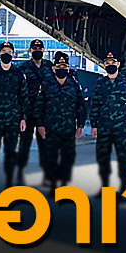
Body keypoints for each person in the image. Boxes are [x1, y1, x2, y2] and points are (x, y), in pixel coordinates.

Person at [89, 51, 126, 192]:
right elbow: (95, 104)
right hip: (104, 126)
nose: (110, 65)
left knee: (125, 156)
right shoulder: (100, 83)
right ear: (104, 65)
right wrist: (94, 125)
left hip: (122, 127)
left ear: (118, 64)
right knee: (102, 157)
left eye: (113, 63)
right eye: (107, 63)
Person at [37, 51, 87, 191]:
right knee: (50, 155)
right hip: (51, 127)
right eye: (59, 67)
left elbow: (80, 106)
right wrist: (40, 125)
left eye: (64, 67)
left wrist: (80, 126)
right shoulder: (46, 84)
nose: (62, 69)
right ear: (54, 68)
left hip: (68, 128)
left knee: (68, 156)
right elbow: (39, 106)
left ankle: (64, 180)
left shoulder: (74, 85)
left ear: (68, 68)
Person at [0, 41, 28, 190]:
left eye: (9, 52)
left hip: (13, 119)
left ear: (13, 54)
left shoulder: (19, 74)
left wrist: (24, 118)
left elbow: (24, 97)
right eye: (3, 52)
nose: (6, 54)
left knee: (11, 151)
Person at [17, 38, 54, 184]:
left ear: (43, 50)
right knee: (24, 144)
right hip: (28, 111)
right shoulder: (23, 67)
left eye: (39, 49)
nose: (37, 51)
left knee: (45, 144)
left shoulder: (49, 67)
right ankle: (20, 175)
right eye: (34, 49)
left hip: (44, 113)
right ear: (30, 50)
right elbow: (19, 91)